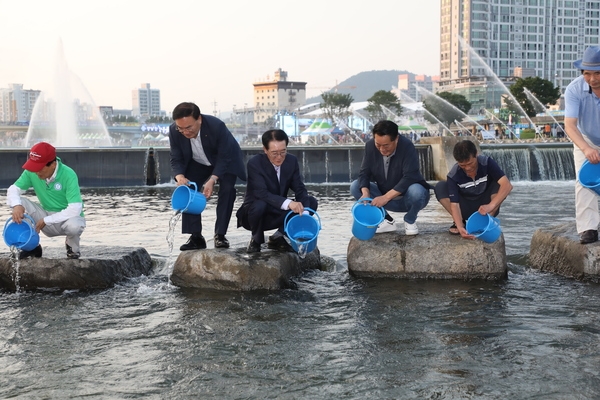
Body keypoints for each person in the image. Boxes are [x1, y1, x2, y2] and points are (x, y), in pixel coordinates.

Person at [169, 102, 246, 250]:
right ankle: (196, 236)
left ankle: (220, 235)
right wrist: (179, 176)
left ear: (199, 119)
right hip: (198, 162)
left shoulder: (216, 126)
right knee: (188, 189)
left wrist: (213, 179)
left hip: (225, 160)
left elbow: (224, 157)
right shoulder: (174, 130)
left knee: (227, 190)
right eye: (181, 128)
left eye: (189, 127)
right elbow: (176, 157)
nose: (185, 132)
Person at [236, 129, 318, 253]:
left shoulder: (291, 161)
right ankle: (256, 239)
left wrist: (305, 215)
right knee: (260, 204)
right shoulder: (255, 163)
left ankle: (278, 236)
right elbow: (261, 193)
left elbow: (299, 188)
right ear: (265, 150)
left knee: (310, 203)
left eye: (283, 152)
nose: (279, 157)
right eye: (274, 153)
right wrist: (289, 203)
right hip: (255, 215)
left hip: (278, 211)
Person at [6, 142, 86, 259]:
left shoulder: (69, 174)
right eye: (34, 167)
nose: (36, 172)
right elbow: (13, 189)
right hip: (44, 218)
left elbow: (75, 208)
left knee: (75, 226)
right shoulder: (31, 171)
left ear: (53, 164)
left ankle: (72, 248)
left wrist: (47, 220)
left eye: (39, 168)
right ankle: (32, 247)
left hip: (65, 219)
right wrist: (17, 205)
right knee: (19, 202)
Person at [350, 120, 430, 235]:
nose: (382, 149)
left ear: (396, 139)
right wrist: (366, 193)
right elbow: (364, 173)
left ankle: (410, 220)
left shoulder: (407, 146)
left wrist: (386, 198)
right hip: (384, 196)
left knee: (417, 191)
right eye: (378, 144)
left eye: (386, 145)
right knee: (356, 186)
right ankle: (386, 220)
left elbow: (410, 176)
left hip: (408, 198)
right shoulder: (370, 146)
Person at [434, 140, 512, 238]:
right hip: (466, 207)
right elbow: (454, 204)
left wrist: (491, 206)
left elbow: (507, 185)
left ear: (476, 154)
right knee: (440, 186)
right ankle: (461, 222)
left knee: (499, 182)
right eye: (462, 165)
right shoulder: (453, 175)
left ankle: (489, 220)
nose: (467, 168)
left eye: (470, 163)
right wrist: (460, 226)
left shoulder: (487, 163)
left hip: (488, 206)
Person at [565, 45, 600, 244]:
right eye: (587, 73)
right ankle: (588, 228)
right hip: (585, 137)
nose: (592, 79)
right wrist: (586, 149)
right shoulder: (574, 89)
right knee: (584, 180)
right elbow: (570, 125)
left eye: (597, 73)